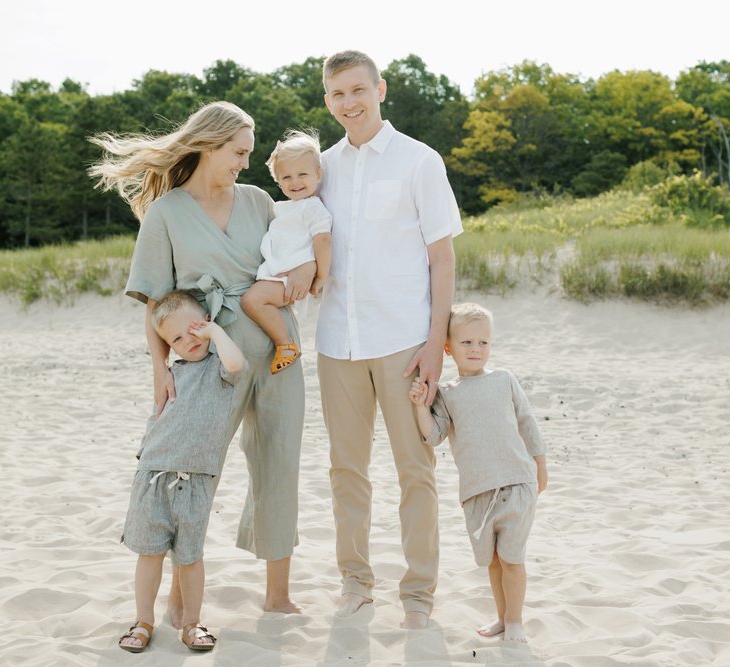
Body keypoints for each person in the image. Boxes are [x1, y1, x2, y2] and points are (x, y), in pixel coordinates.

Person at [89, 101, 309, 628]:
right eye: (238, 152)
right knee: (186, 470)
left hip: (279, 350)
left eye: (249, 154)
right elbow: (155, 303)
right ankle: (175, 597)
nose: (244, 163)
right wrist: (160, 371)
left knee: (279, 464)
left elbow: (296, 253)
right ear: (209, 145)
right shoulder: (166, 212)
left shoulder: (259, 201)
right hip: (205, 363)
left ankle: (276, 594)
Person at [315, 50, 463, 629]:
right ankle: (354, 582)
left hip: (405, 341)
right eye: (336, 94)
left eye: (358, 90)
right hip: (337, 342)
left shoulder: (419, 161)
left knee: (414, 470)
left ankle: (419, 593)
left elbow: (442, 259)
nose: (349, 103)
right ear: (327, 100)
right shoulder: (320, 167)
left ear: (380, 89)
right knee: (346, 470)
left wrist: (435, 343)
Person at [409, 303, 549, 643]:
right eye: (467, 343)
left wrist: (539, 465)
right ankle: (502, 618)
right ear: (448, 348)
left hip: (517, 483)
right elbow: (434, 435)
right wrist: (420, 406)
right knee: (494, 562)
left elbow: (527, 423)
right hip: (477, 492)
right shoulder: (448, 394)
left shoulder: (504, 380)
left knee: (512, 559)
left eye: (483, 343)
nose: (476, 349)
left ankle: (515, 621)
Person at [118, 290, 246, 653]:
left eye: (192, 329)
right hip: (153, 475)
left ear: (205, 321)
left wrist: (215, 333)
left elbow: (237, 362)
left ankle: (192, 623)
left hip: (195, 480)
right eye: (175, 338)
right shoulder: (171, 374)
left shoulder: (219, 368)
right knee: (150, 554)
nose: (187, 340)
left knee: (190, 557)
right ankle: (143, 621)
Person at [241, 129, 332, 375]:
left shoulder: (313, 207)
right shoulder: (282, 208)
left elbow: (323, 241)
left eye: (303, 174)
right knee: (253, 301)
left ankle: (285, 345)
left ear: (318, 174)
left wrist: (320, 276)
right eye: (287, 177)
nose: (295, 182)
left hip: (289, 278)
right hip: (277, 272)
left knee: (252, 301)